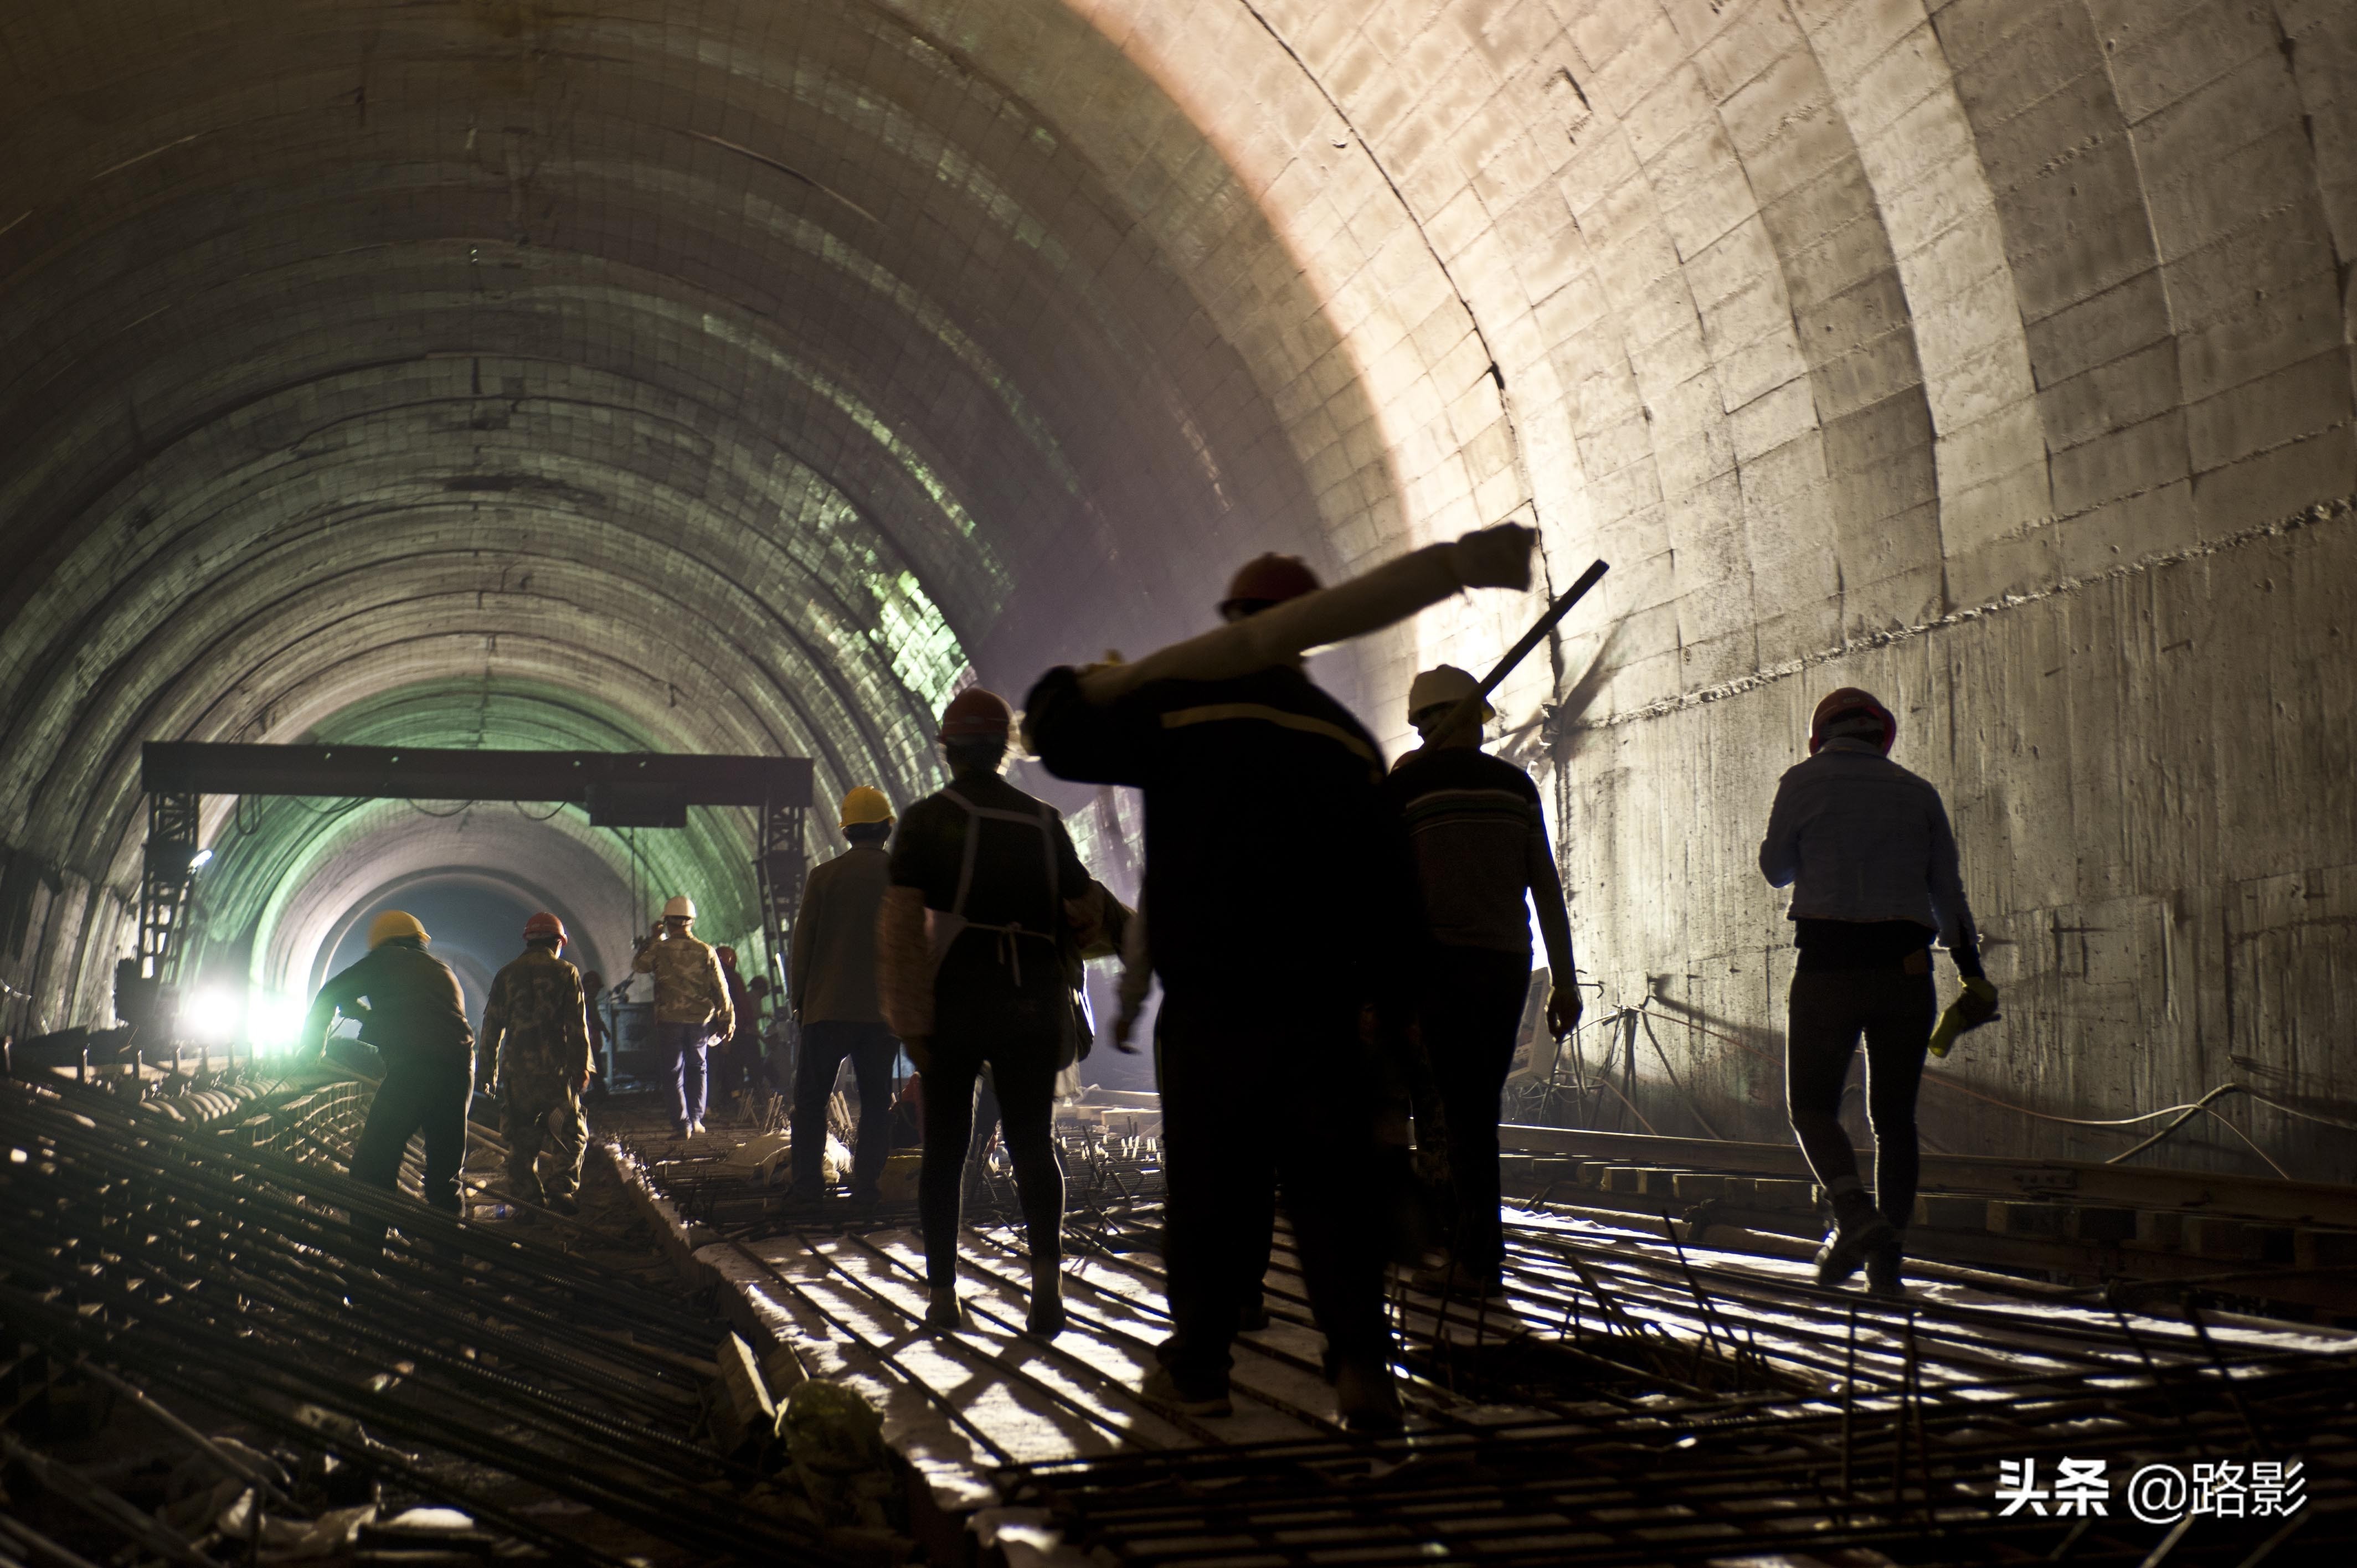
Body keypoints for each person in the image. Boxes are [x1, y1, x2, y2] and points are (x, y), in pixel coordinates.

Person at [1023, 555, 1447, 1432]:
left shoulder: (1181, 707)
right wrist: (1396, 1019)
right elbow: (1394, 895)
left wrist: (1081, 683)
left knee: (1214, 1189)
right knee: (1333, 1192)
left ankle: (1206, 1367)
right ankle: (1363, 1365)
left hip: (1214, 1001)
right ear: (1310, 633)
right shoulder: (1348, 742)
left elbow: (1059, 743)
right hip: (1322, 1009)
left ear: (1232, 621)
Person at [876, 689, 1100, 1337]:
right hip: (1030, 998)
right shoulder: (1043, 821)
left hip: (956, 1000)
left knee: (945, 1147)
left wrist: (910, 1022)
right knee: (1033, 1142)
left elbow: (897, 933)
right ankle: (1046, 1292)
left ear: (946, 749)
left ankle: (943, 1297)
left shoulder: (923, 821)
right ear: (1005, 749)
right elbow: (1083, 908)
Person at [1759, 687, 1996, 1296]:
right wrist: (1971, 973)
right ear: (1881, 737)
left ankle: (1853, 1213)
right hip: (1905, 973)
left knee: (1811, 1107)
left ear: (1820, 736)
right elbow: (1949, 896)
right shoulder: (1917, 793)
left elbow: (1775, 869)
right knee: (1893, 1120)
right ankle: (1885, 1266)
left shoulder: (1801, 781)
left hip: (1827, 970)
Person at [1386, 664, 1582, 1298]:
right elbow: (1545, 889)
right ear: (1474, 720)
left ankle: (1473, 1258)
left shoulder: (1406, 787)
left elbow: (1376, 893)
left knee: (1447, 1113)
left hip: (1435, 968)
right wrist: (1564, 981)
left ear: (1421, 724)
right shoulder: (1515, 786)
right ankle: (1472, 1249)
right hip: (1503, 968)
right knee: (1477, 1113)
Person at [297, 910, 475, 1245]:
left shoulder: (385, 960)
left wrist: (311, 1050)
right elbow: (419, 1023)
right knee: (444, 1179)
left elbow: (328, 995)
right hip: (459, 1072)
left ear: (384, 943)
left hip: (415, 1073)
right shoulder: (440, 971)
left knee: (371, 1168)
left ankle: (367, 1258)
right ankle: (450, 1267)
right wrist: (366, 1015)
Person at [787, 785, 901, 1202]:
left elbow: (804, 947)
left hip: (827, 1009)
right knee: (875, 1102)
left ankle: (807, 1187)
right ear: (888, 827)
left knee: (812, 1102)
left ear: (846, 831)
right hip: (883, 1012)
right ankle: (868, 1184)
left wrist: (800, 1002)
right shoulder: (904, 877)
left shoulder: (824, 877)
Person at [475, 912, 594, 1215]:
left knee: (522, 1137)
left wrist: (487, 1071)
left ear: (528, 940)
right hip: (556, 1074)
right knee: (570, 1132)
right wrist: (582, 1067)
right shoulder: (566, 972)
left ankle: (528, 1199)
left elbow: (491, 1027)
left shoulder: (506, 974)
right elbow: (577, 1026)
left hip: (519, 1074)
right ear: (559, 942)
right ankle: (561, 1190)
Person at [630, 895, 733, 1138]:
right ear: (691, 922)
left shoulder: (660, 949)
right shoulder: (705, 950)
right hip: (699, 1022)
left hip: (669, 1020)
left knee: (673, 1072)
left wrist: (655, 938)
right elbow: (721, 987)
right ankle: (697, 1119)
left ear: (667, 922)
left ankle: (683, 1124)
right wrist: (728, 1020)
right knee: (699, 1068)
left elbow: (639, 965)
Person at [714, 944, 755, 1103]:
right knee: (734, 1064)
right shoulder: (735, 978)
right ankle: (734, 1095)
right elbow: (744, 1005)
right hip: (736, 1027)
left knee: (726, 1064)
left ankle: (730, 1096)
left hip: (726, 1027)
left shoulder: (722, 979)